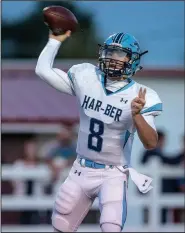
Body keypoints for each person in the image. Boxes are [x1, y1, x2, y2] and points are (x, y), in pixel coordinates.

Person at [35, 30, 163, 232]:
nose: (113, 58)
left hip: (112, 173)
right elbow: (43, 70)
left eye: (120, 54)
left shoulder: (140, 95)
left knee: (110, 227)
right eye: (109, 52)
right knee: (61, 226)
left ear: (133, 60)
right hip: (80, 169)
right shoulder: (87, 76)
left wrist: (137, 115)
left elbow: (151, 143)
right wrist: (54, 41)